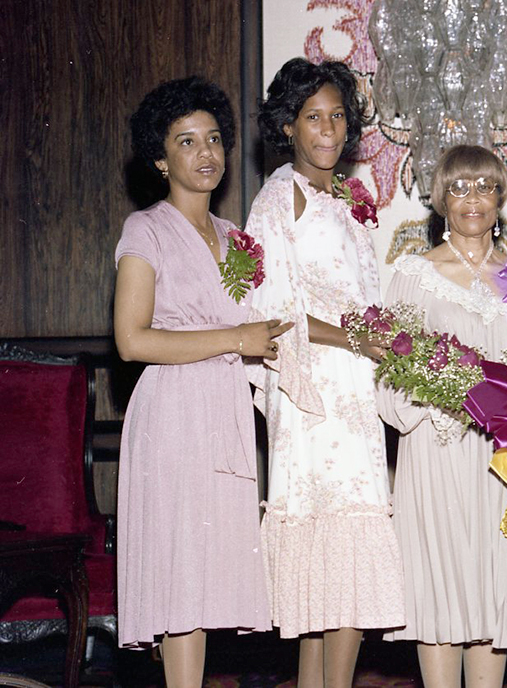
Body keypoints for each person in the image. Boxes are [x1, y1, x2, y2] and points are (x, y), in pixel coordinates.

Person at [114, 77, 291, 686]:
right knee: (181, 579)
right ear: (161, 160)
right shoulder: (146, 230)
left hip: (224, 414)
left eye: (214, 138)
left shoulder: (239, 241)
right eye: (187, 142)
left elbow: (259, 330)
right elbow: (132, 340)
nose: (207, 152)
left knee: (207, 581)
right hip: (171, 416)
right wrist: (234, 339)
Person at [245, 58, 404, 687]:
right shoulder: (278, 196)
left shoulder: (342, 198)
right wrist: (363, 341)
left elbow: (362, 297)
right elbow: (271, 314)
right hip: (313, 393)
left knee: (332, 572)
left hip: (352, 390)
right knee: (336, 557)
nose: (329, 130)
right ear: (288, 126)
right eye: (314, 118)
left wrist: (383, 339)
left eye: (338, 116)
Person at [377, 144, 507, 688]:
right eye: (458, 189)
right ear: (440, 201)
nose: (471, 200)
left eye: (483, 187)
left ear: (501, 196)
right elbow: (388, 377)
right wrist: (449, 404)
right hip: (439, 449)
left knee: (493, 592)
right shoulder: (413, 273)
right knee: (442, 588)